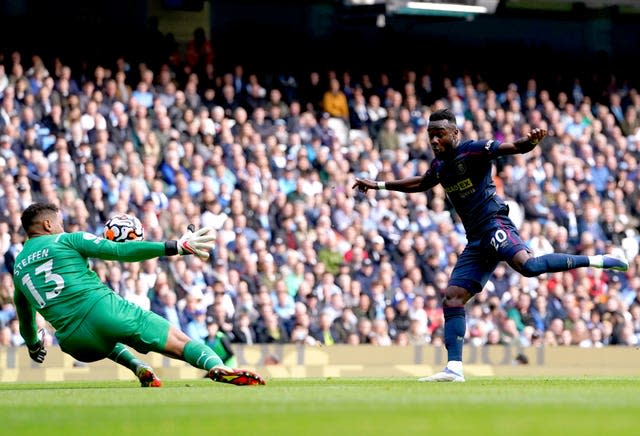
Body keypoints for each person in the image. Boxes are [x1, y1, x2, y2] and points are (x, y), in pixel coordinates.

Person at [352, 108, 628, 382]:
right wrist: (378, 185)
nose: (434, 141)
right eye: (430, 136)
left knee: (528, 267)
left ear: (455, 133)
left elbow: (511, 147)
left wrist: (528, 143)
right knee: (453, 297)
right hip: (476, 241)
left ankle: (597, 260)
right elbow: (422, 183)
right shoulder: (439, 166)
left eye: (440, 135)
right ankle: (454, 369)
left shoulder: (472, 150)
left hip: (495, 224)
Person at [12, 203, 265, 387]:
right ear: (47, 224)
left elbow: (24, 315)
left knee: (107, 339)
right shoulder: (65, 240)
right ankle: (217, 367)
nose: (62, 227)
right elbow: (120, 251)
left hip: (74, 342)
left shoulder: (19, 266)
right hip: (104, 310)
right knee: (178, 340)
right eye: (59, 222)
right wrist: (176, 247)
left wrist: (34, 344)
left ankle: (138, 366)